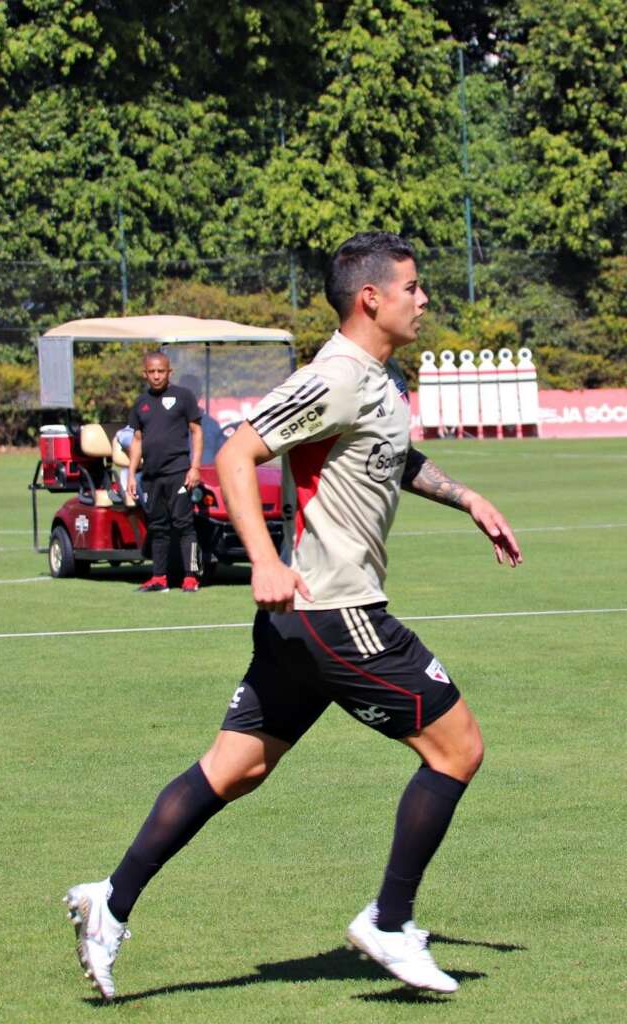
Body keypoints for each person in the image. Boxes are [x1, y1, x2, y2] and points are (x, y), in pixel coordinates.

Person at [63, 232, 522, 998]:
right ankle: (390, 920)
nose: (424, 299)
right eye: (413, 287)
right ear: (371, 297)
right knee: (458, 749)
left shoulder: (379, 378)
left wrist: (467, 497)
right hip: (336, 611)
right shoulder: (335, 376)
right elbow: (236, 454)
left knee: (234, 768)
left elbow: (392, 455)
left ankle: (109, 901)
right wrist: (264, 560)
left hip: (300, 625)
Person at [127, 352, 204, 593]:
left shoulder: (184, 397)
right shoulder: (140, 403)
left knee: (184, 525)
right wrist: (131, 474)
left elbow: (196, 432)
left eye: (161, 371)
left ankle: (190, 577)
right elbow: (137, 440)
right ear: (145, 374)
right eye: (152, 371)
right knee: (158, 527)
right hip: (151, 476)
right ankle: (159, 578)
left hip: (178, 472)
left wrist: (195, 467)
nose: (157, 376)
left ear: (170, 372)